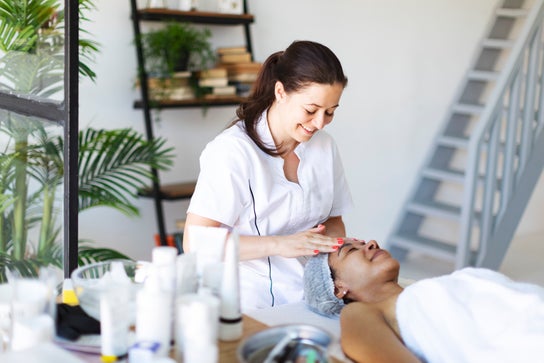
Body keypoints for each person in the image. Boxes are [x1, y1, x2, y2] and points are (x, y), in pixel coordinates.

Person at [184, 40, 353, 311]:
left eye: (330, 112)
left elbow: (334, 220)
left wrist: (332, 247)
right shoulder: (232, 151)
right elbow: (196, 243)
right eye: (310, 110)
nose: (320, 123)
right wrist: (280, 244)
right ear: (280, 92)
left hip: (311, 296)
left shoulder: (324, 146)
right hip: (245, 302)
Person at [303, 240, 544, 362]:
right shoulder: (363, 313)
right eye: (351, 250)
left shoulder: (440, 284)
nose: (371, 243)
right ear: (337, 288)